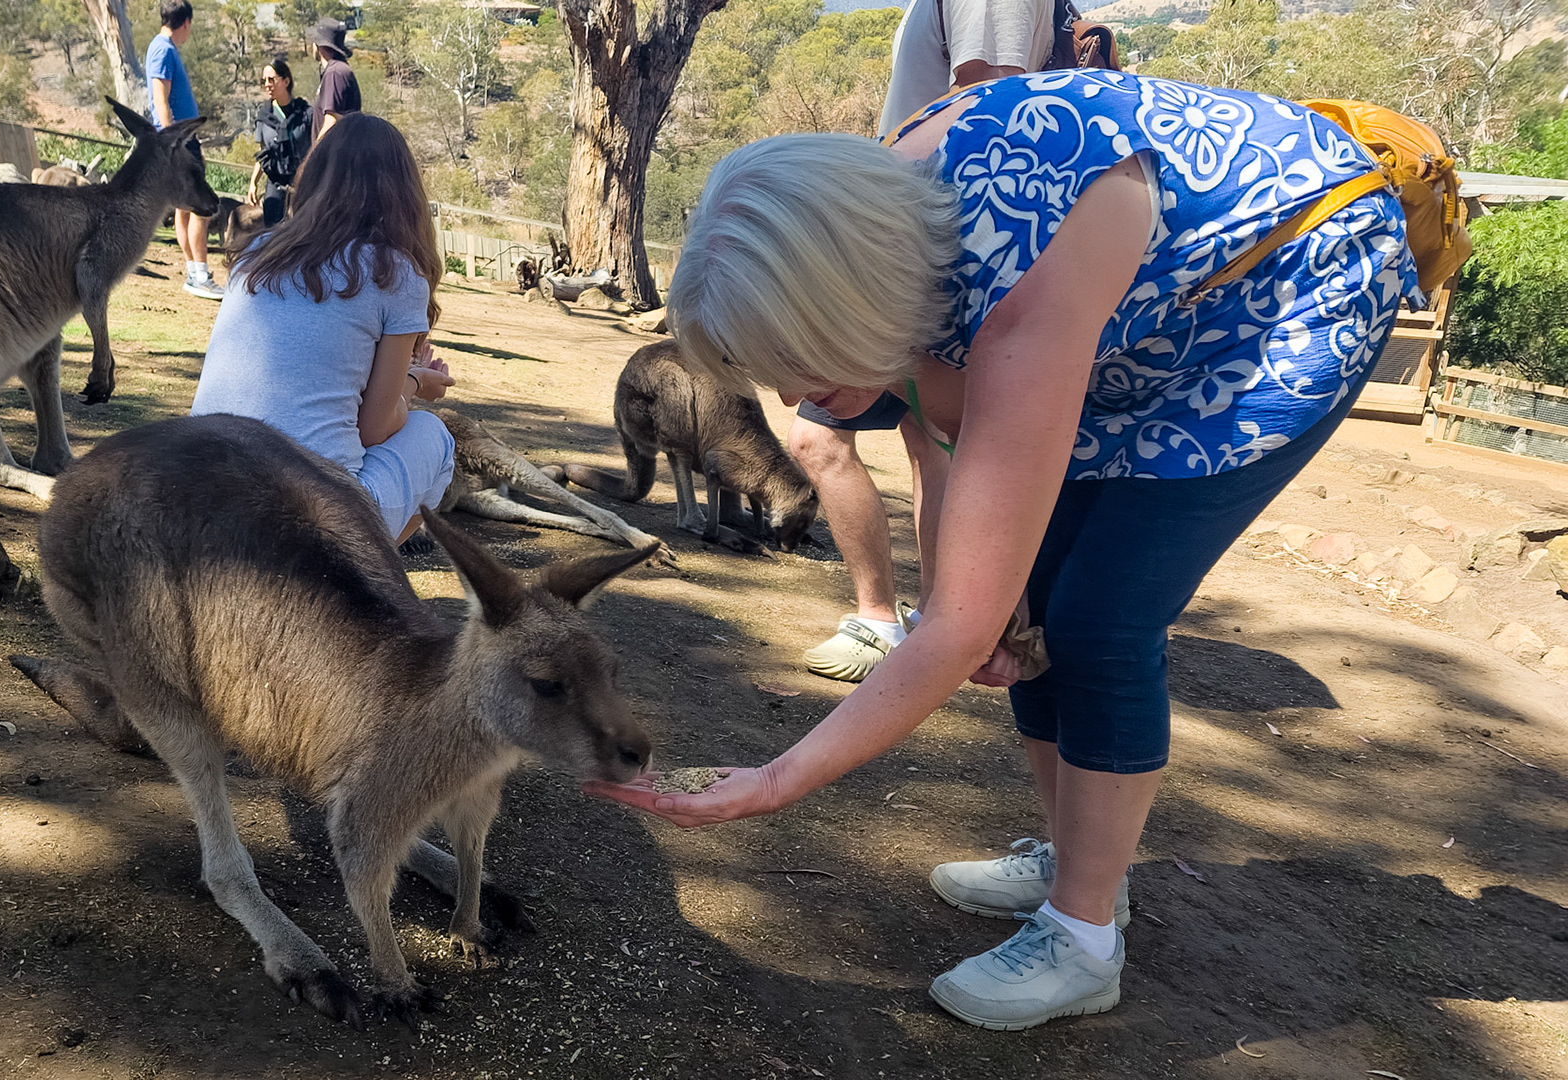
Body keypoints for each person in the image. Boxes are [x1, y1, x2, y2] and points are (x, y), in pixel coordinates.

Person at [589, 70, 1409, 1031]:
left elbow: (954, 627)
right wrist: (981, 588)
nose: (790, 402)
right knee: (1032, 613)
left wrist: (779, 781)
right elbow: (944, 430)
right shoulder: (882, 237)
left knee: (1098, 621)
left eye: (797, 364)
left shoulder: (1021, 290)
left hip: (1281, 291)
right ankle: (1078, 858)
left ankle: (1084, 934)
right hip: (1124, 297)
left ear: (845, 308)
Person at [795, 0, 1055, 684]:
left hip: (920, 268)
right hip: (898, 256)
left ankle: (949, 622)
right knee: (860, 439)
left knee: (936, 441)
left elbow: (998, 109)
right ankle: (918, 618)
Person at [192, 113, 455, 542]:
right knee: (436, 437)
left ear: (315, 177)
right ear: (404, 194)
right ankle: (359, 574)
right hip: (312, 519)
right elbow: (374, 429)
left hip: (201, 485)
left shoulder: (257, 252)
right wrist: (414, 383)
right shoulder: (397, 274)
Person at [146, 0, 222, 301]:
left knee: (184, 208)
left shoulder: (164, 48)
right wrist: (172, 142)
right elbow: (160, 98)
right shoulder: (163, 49)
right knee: (201, 206)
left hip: (183, 139)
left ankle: (193, 273)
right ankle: (200, 274)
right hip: (179, 141)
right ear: (186, 22)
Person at [248, 56, 312, 227]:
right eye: (264, 81)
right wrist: (253, 183)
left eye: (272, 79)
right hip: (275, 184)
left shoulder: (305, 114)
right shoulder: (264, 116)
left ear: (286, 81)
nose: (267, 85)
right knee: (271, 232)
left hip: (301, 185)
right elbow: (263, 153)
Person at [305, 17, 361, 143]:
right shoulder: (339, 70)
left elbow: (332, 120)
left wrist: (314, 152)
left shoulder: (334, 73)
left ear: (319, 45)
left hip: (335, 154)